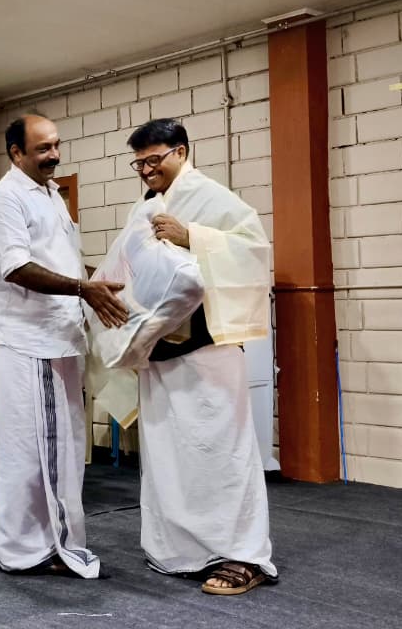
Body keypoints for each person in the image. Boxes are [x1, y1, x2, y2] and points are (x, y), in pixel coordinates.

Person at [121, 118, 275, 594]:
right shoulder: (143, 206)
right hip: (159, 350)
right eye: (139, 164)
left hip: (206, 350)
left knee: (220, 455)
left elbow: (255, 251)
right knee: (170, 457)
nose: (147, 170)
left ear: (181, 152)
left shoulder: (212, 197)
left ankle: (242, 555)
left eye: (155, 159)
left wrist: (193, 237)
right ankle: (181, 550)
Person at [0, 114, 127, 579]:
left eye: (56, 145)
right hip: (30, 343)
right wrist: (83, 290)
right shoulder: (4, 201)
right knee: (37, 451)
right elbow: (17, 268)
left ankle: (36, 545)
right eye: (42, 148)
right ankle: (35, 549)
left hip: (58, 340)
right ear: (16, 153)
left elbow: (62, 262)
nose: (54, 155)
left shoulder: (51, 194)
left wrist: (97, 285)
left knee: (62, 448)